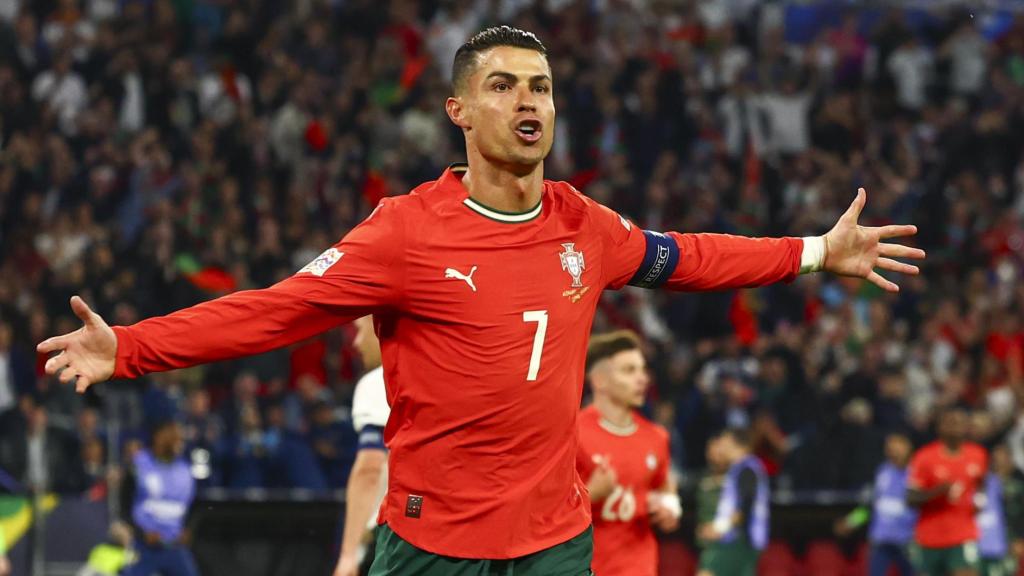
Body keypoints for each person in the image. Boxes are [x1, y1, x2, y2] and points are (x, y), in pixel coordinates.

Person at [38, 26, 924, 575]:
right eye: (502, 85)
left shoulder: (585, 225)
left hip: (553, 540)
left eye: (539, 86)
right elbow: (276, 309)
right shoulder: (405, 233)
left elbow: (690, 255)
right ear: (460, 109)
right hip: (431, 543)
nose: (526, 100)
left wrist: (814, 251)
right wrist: (133, 349)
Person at [575, 330, 680, 576]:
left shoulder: (656, 436)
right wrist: (591, 495)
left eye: (642, 370)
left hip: (640, 566)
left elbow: (665, 488)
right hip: (588, 566)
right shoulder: (572, 433)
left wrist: (671, 509)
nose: (642, 379)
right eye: (629, 370)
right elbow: (546, 511)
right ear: (599, 380)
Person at [334, 315, 390, 576]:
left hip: (394, 540)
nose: (356, 342)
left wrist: (349, 555)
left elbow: (370, 468)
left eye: (359, 330)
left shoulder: (381, 382)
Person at [907, 407, 988, 576]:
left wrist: (980, 501)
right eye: (950, 423)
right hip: (929, 537)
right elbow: (910, 498)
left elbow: (980, 483)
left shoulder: (978, 455)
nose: (955, 427)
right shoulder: (924, 457)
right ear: (940, 427)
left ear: (966, 427)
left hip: (963, 534)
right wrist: (937, 492)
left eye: (959, 423)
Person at [121, 420, 200, 576]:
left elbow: (193, 504)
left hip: (174, 545)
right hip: (143, 545)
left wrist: (188, 529)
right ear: (158, 437)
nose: (177, 439)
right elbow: (124, 503)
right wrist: (140, 533)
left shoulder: (185, 470)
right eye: (171, 434)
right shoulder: (139, 465)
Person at [834, 432, 917, 576]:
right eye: (890, 450)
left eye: (897, 450)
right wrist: (851, 522)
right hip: (881, 540)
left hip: (908, 540)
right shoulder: (882, 472)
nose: (893, 454)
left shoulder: (917, 473)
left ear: (908, 450)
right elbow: (870, 506)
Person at [697, 428, 769, 576]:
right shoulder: (739, 469)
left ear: (735, 444)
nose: (721, 446)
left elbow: (745, 506)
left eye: (725, 442)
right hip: (739, 540)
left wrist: (720, 528)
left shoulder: (747, 469)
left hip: (738, 540)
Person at [976, 445, 1018, 576]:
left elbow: (1015, 513)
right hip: (972, 546)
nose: (998, 463)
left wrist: (1017, 538)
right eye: (994, 460)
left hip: (998, 546)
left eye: (1002, 459)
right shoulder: (969, 482)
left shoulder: (1003, 485)